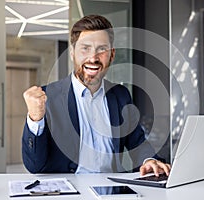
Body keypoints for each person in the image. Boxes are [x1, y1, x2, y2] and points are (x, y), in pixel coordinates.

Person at [22, 14, 170, 176]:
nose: (93, 58)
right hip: (68, 192)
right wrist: (35, 119)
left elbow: (137, 143)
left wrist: (149, 160)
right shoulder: (48, 96)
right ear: (72, 53)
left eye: (102, 49)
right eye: (85, 48)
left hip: (110, 189)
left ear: (112, 55)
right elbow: (34, 165)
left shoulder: (120, 95)